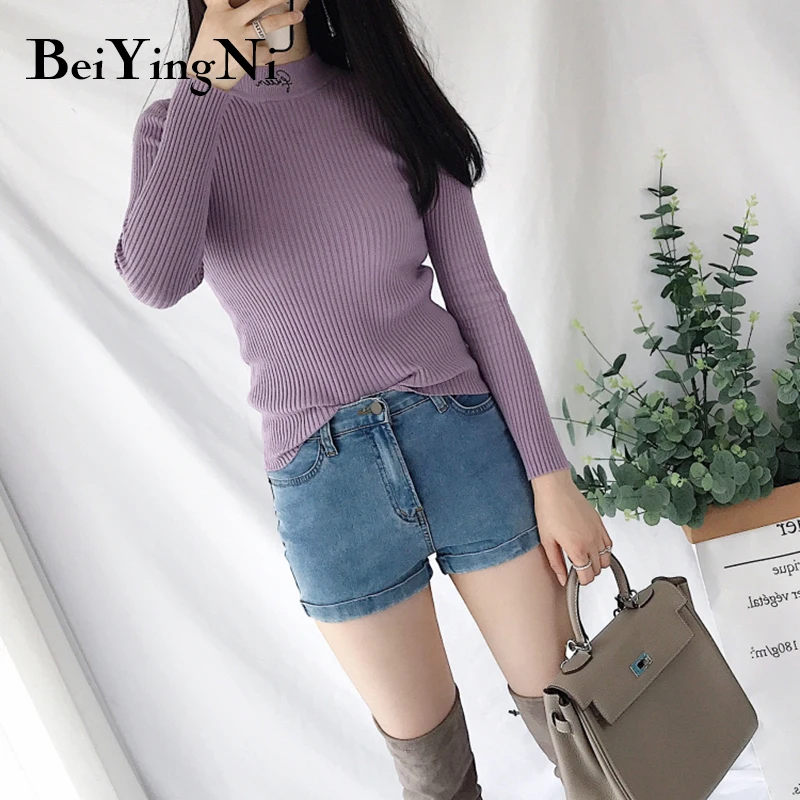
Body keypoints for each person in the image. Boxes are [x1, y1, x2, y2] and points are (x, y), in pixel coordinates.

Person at [114, 0, 613, 796]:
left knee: (584, 736)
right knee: (437, 779)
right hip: (328, 486)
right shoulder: (176, 129)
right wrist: (206, 81)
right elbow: (155, 278)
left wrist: (553, 481)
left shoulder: (390, 102)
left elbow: (479, 298)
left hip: (462, 441)